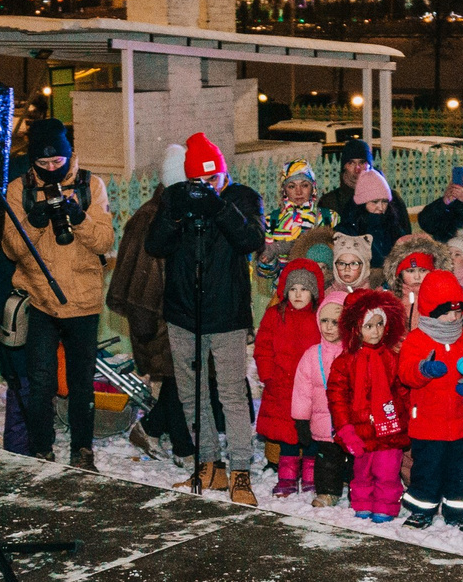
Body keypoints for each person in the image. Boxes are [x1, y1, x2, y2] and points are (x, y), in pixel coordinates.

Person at [147, 132, 266, 505]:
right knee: (190, 395)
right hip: (183, 313)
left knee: (231, 394)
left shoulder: (242, 198)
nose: (204, 187)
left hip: (227, 314)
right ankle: (208, 465)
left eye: (212, 180)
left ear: (224, 174)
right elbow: (155, 246)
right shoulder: (175, 198)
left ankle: (240, 472)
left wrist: (217, 207)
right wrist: (176, 212)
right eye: (198, 181)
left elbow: (250, 241)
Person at [0, 117, 116, 471]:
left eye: (57, 162)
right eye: (43, 164)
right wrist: (34, 221)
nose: (51, 169)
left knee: (81, 383)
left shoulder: (90, 184)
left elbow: (106, 242)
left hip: (83, 298)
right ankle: (41, 449)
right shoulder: (19, 188)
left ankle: (83, 451)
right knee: (42, 380)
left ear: (69, 155)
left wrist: (78, 216)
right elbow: (11, 249)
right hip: (40, 296)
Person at [109, 143, 196, 463]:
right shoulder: (149, 217)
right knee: (177, 377)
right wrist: (145, 323)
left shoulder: (180, 209)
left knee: (182, 378)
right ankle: (184, 449)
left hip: (181, 312)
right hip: (159, 316)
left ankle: (150, 428)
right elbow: (139, 278)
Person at [398, 269, 463, 533]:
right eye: (447, 312)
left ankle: (459, 512)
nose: (453, 318)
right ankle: (421, 510)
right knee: (427, 470)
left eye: (458, 312)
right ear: (432, 310)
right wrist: (423, 370)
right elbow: (405, 372)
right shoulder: (417, 340)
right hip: (428, 424)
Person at [327, 287, 410, 521]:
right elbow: (337, 397)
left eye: (379, 325)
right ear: (356, 328)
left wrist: (408, 420)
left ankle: (385, 506)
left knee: (387, 471)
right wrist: (345, 429)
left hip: (389, 428)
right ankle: (362, 502)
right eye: (368, 326)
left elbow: (402, 390)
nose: (375, 332)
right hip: (359, 429)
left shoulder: (391, 357)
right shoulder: (345, 362)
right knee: (362, 471)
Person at [255, 258, 327, 496]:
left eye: (304, 289)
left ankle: (310, 474)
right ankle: (286, 475)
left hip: (313, 387)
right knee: (288, 433)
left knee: (312, 431)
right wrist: (269, 376)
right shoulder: (276, 315)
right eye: (293, 289)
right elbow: (263, 347)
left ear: (314, 292)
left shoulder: (319, 317)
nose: (298, 295)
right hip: (282, 385)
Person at [292, 297, 349, 507]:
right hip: (324, 422)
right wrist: (300, 419)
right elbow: (302, 391)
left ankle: (358, 491)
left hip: (350, 421)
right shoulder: (312, 355)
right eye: (324, 321)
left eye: (336, 322)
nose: (329, 327)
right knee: (326, 460)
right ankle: (327, 492)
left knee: (355, 460)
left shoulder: (353, 352)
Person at [319, 137, 412, 231]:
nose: (357, 169)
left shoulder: (392, 199)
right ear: (344, 166)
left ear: (370, 165)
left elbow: (405, 235)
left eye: (362, 162)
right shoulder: (330, 202)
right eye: (351, 163)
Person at [262, 158, 326, 275]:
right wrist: (267, 262)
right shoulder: (271, 220)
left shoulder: (328, 218)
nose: (298, 192)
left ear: (313, 188)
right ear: (284, 190)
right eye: (292, 186)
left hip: (321, 289)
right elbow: (265, 273)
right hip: (284, 289)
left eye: (304, 185)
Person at [336, 166, 406, 268]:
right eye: (374, 202)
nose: (381, 207)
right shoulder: (348, 231)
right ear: (362, 203)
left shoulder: (394, 227)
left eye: (384, 202)